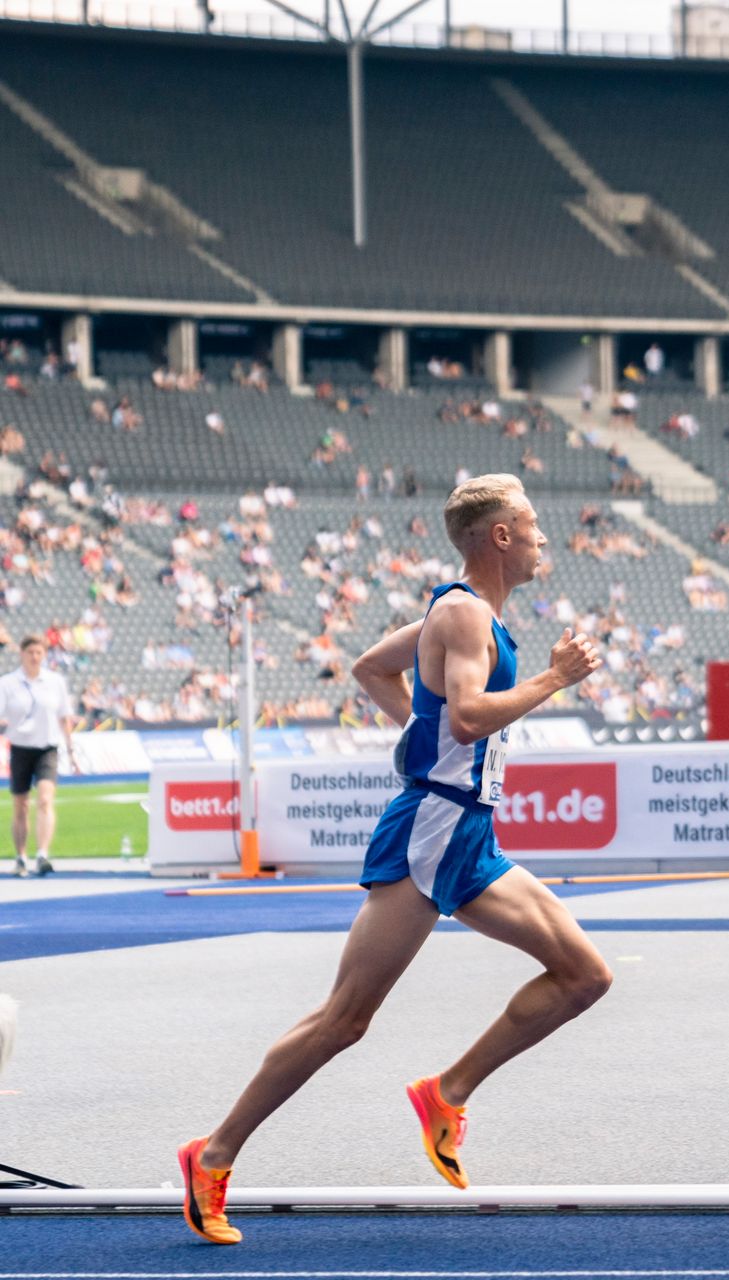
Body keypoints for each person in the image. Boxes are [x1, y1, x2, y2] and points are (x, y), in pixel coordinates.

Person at [177, 475, 611, 1246]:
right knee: (344, 1020)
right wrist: (552, 680)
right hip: (432, 831)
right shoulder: (462, 612)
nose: (546, 537)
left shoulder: (461, 614)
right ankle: (211, 1155)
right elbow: (472, 717)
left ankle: (447, 1094)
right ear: (500, 536)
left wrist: (424, 731)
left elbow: (371, 669)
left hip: (469, 834)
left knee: (585, 976)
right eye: (534, 525)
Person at [0, 635, 76, 877]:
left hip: (47, 748)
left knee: (45, 798)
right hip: (21, 747)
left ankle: (42, 854)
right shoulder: (8, 683)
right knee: (21, 804)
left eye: (39, 653)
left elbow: (64, 716)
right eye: (30, 652)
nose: (34, 657)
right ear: (22, 654)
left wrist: (70, 747)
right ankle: (21, 856)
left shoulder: (55, 682)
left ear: (44, 655)